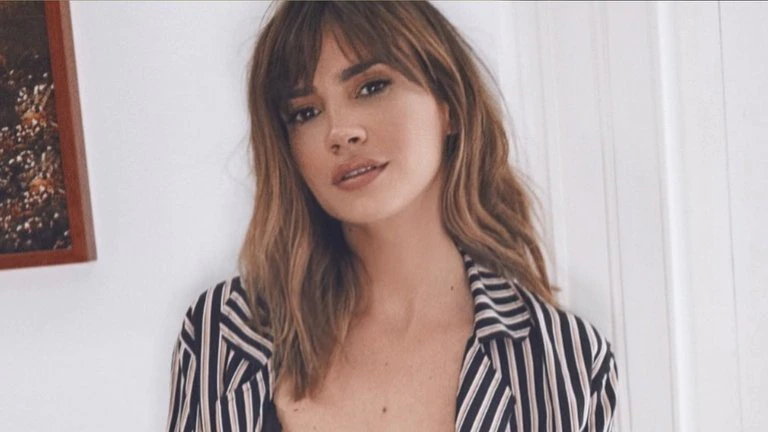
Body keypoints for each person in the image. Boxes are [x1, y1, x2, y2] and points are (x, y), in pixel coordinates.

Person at [165, 1, 619, 431]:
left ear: (449, 104)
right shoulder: (224, 335)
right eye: (305, 112)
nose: (340, 131)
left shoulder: (562, 361)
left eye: (371, 87)